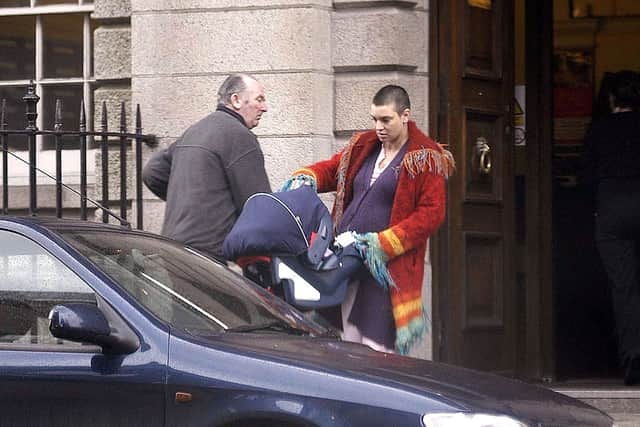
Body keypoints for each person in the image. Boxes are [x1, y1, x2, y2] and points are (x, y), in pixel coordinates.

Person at [281, 85, 454, 354]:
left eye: (386, 120)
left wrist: (381, 243)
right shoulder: (365, 146)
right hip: (346, 257)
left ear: (405, 116)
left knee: (376, 349)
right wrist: (307, 177)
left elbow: (431, 214)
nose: (379, 127)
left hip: (386, 268)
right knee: (342, 341)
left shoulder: (425, 156)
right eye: (375, 119)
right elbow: (332, 169)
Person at [143, 74, 271, 260]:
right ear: (236, 100)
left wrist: (189, 200)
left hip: (173, 247)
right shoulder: (240, 136)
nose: (264, 107)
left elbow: (152, 172)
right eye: (259, 99)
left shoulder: (195, 130)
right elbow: (259, 204)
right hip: (208, 256)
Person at [583, 70, 640, 385]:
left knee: (624, 288)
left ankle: (634, 361)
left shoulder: (599, 129)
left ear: (611, 98)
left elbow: (586, 174)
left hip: (612, 208)